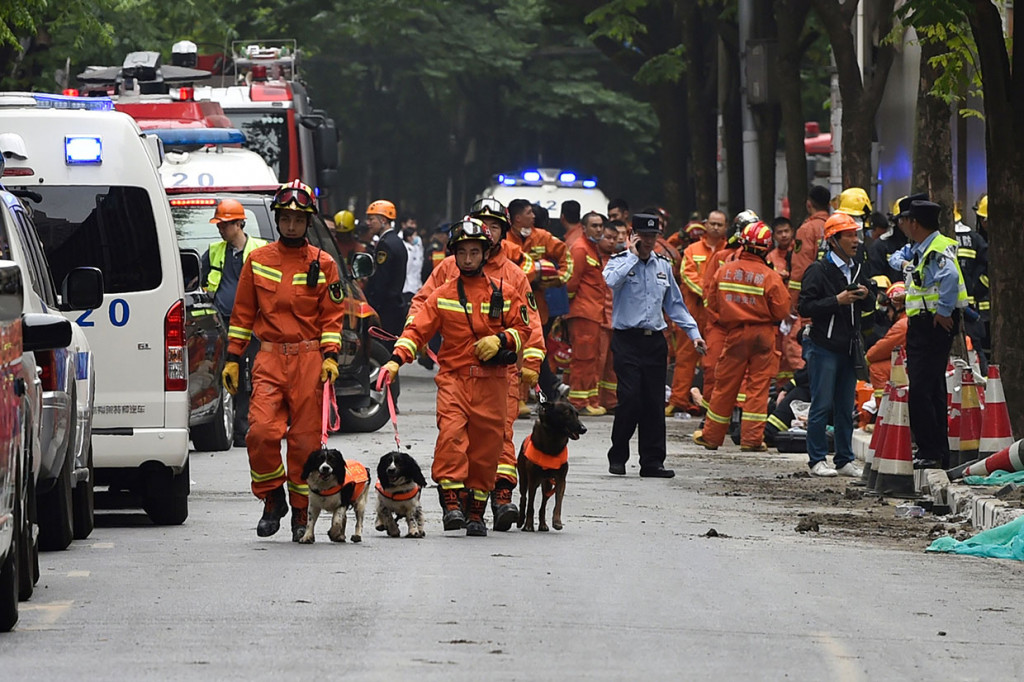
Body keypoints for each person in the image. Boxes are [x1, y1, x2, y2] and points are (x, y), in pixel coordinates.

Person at [382, 218, 533, 536]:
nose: (467, 259)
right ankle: (451, 504)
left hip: (493, 382)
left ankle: (476, 511)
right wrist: (395, 360)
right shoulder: (442, 294)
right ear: (454, 254)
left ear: (484, 253)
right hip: (454, 379)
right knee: (451, 437)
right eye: (461, 252)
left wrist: (501, 341)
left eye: (474, 252)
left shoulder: (503, 293)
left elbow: (524, 329)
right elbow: (417, 329)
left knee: (487, 448)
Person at [222, 180, 345, 541]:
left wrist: (331, 358)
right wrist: (232, 359)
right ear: (277, 219)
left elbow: (332, 318)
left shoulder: (324, 264)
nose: (291, 225)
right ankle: (273, 498)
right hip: (270, 358)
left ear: (308, 222)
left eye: (298, 219)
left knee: (306, 443)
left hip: (309, 360)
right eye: (286, 218)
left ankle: (301, 514)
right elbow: (242, 314)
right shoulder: (258, 261)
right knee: (260, 432)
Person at [604, 213, 707, 478]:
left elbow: (675, 304)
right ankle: (618, 455)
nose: (649, 241)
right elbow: (611, 282)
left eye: (653, 236)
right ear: (633, 235)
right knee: (630, 398)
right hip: (627, 340)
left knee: (653, 402)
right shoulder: (620, 262)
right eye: (644, 236)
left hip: (654, 342)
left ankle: (652, 461)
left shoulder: (663, 265)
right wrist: (633, 256)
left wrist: (693, 332)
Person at [695, 221, 790, 451]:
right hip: (764, 335)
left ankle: (711, 436)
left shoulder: (725, 270)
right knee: (757, 389)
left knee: (725, 386)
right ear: (766, 247)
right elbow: (782, 310)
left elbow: (713, 302)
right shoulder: (770, 276)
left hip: (735, 333)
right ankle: (752, 440)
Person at [888, 199, 968, 469]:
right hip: (925, 322)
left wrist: (943, 311)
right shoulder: (923, 248)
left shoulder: (935, 248)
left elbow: (949, 278)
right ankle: (937, 451)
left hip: (931, 326)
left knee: (921, 389)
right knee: (932, 388)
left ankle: (928, 449)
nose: (904, 225)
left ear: (915, 223)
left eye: (906, 220)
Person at [797, 211, 873, 477]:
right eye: (849, 235)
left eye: (856, 234)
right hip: (824, 347)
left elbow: (870, 304)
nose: (855, 240)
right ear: (833, 240)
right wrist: (836, 301)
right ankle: (817, 459)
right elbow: (804, 306)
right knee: (822, 404)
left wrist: (866, 295)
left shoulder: (858, 266)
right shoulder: (818, 271)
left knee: (844, 407)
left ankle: (844, 460)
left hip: (849, 347)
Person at [201, 199, 269, 447]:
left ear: (241, 223)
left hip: (255, 325)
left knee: (253, 376)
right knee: (229, 376)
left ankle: (249, 428)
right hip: (222, 323)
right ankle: (234, 430)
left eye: (226, 224)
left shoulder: (260, 250)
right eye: (219, 224)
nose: (221, 229)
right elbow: (198, 281)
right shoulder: (215, 251)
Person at [507, 199, 572, 401]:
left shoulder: (541, 237)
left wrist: (559, 278)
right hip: (509, 304)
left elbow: (565, 257)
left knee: (535, 349)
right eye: (528, 212)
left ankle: (541, 392)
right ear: (517, 217)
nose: (534, 216)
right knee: (515, 350)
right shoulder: (505, 240)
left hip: (536, 304)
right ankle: (531, 394)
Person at [666, 209, 726, 416]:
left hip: (717, 315)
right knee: (685, 356)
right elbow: (687, 274)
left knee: (715, 359)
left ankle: (711, 403)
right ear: (705, 225)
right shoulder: (692, 250)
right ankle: (678, 399)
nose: (716, 227)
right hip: (692, 312)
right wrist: (708, 293)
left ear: (725, 228)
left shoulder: (728, 251)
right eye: (712, 223)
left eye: (720, 224)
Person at [566, 212, 614, 416]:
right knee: (583, 358)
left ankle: (590, 399)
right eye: (594, 225)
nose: (598, 229)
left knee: (592, 358)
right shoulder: (580, 249)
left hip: (594, 312)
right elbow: (571, 283)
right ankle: (578, 402)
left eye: (600, 225)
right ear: (583, 228)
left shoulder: (593, 250)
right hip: (583, 312)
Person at [363, 199, 408, 347]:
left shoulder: (385, 244)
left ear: (383, 220)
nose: (368, 223)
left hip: (385, 308)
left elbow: (381, 280)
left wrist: (372, 303)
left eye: (371, 219)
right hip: (394, 306)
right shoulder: (396, 241)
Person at [788, 184, 831, 308]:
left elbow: (801, 267)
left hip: (812, 295)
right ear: (828, 205)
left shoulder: (807, 229)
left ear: (809, 204)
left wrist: (793, 300)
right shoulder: (834, 226)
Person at [865, 281, 907, 402]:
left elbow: (884, 348)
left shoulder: (903, 325)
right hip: (923, 363)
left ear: (897, 306)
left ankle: (885, 411)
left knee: (877, 368)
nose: (888, 314)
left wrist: (866, 359)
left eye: (889, 309)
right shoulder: (912, 320)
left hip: (916, 365)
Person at [402, 217, 424, 306]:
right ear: (409, 237)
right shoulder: (407, 250)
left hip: (416, 286)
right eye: (414, 236)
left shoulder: (416, 247)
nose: (416, 238)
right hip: (408, 287)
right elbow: (407, 270)